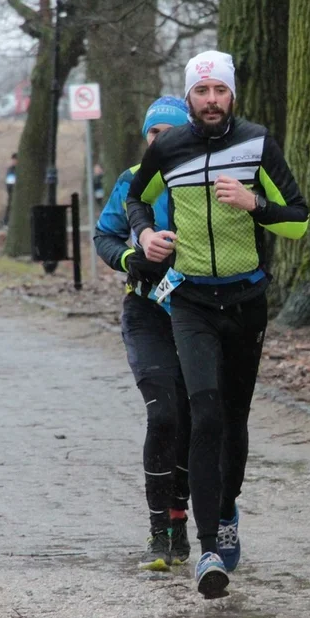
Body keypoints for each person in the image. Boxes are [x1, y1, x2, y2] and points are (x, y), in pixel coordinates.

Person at [126, 50, 309, 598]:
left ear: (232, 96)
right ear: (188, 98)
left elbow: (298, 220)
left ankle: (226, 507)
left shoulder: (256, 143)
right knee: (202, 413)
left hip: (246, 300)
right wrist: (143, 237)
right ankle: (209, 548)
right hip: (191, 302)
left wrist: (255, 203)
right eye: (201, 91)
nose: (211, 100)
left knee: (233, 417)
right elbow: (137, 197)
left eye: (219, 91)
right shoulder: (168, 148)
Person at [93, 96, 193, 571]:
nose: (163, 141)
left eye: (172, 132)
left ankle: (180, 521)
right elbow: (104, 236)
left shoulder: (203, 179)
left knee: (194, 420)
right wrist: (131, 258)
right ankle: (158, 533)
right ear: (146, 137)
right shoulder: (131, 182)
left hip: (198, 314)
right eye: (155, 134)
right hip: (146, 312)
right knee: (164, 413)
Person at [3, 153, 18, 226]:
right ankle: (6, 222)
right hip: (12, 192)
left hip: (18, 193)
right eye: (13, 160)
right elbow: (9, 183)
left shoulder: (21, 170)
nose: (14, 161)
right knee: (10, 206)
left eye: (15, 160)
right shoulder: (11, 170)